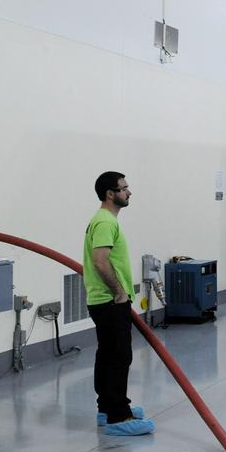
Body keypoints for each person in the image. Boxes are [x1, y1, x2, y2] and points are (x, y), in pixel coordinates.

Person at [84, 172, 155, 436]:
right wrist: (119, 293)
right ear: (110, 194)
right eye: (124, 189)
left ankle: (108, 408)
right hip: (110, 300)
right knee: (118, 356)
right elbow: (100, 261)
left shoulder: (104, 220)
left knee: (107, 353)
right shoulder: (104, 222)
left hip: (104, 301)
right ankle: (118, 417)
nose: (129, 192)